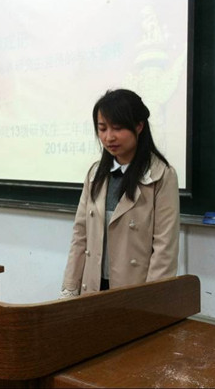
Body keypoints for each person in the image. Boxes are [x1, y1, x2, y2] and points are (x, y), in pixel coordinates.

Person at [60, 89, 180, 298]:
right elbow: (80, 236)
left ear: (139, 126)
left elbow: (164, 248)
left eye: (117, 128)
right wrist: (70, 288)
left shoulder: (161, 175)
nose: (109, 137)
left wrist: (152, 300)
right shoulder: (95, 174)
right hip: (93, 286)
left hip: (135, 290)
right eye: (102, 128)